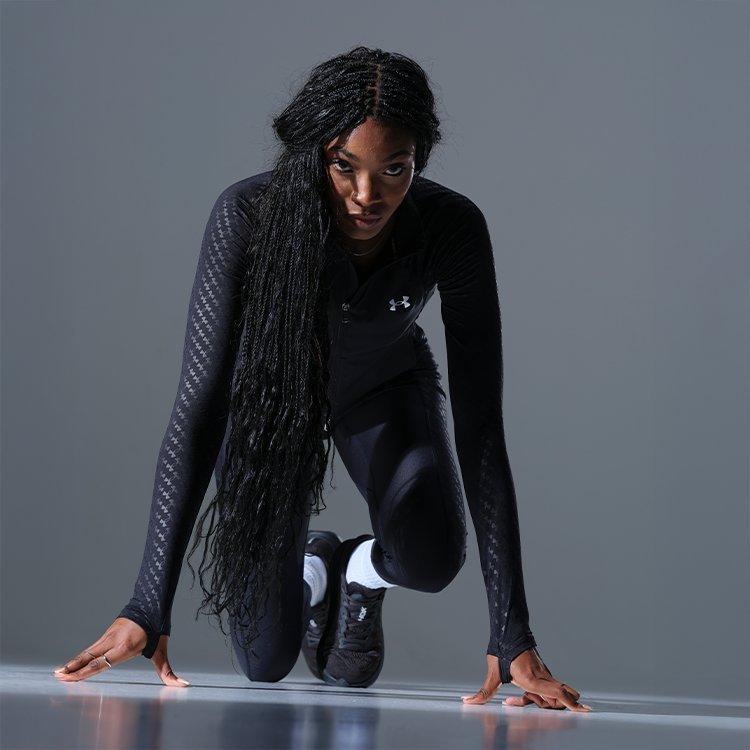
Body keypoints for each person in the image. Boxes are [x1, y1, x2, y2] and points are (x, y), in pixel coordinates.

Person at [53, 46, 590, 712]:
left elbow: (481, 427)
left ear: (419, 158)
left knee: (429, 558)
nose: (368, 195)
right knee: (265, 663)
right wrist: (146, 604)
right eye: (344, 165)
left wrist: (512, 637)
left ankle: (357, 570)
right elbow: (200, 409)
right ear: (314, 154)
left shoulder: (451, 227)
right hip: (270, 408)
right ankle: (314, 566)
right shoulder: (247, 215)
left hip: (382, 387)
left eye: (394, 168)